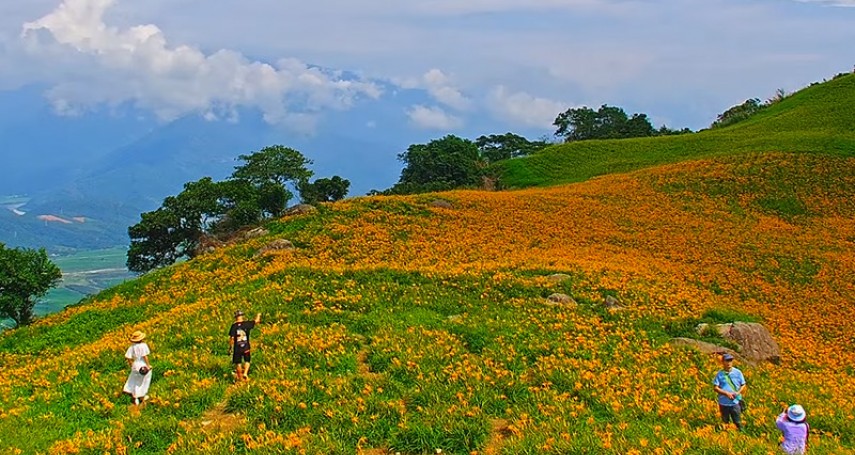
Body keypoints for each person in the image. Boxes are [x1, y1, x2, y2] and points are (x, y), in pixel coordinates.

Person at [712, 353, 746, 431]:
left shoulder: (738, 372)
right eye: (727, 361)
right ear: (723, 362)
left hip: (735, 402)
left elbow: (743, 384)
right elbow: (715, 388)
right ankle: (726, 438)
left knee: (738, 422)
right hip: (723, 403)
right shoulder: (719, 374)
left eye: (730, 360)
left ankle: (742, 436)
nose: (729, 363)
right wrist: (726, 393)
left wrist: (738, 392)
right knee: (725, 423)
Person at [229, 310, 261, 381]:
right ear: (242, 316)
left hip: (237, 348)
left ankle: (240, 378)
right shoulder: (247, 324)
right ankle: (245, 373)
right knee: (247, 360)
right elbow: (257, 321)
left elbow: (232, 338)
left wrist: (230, 348)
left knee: (238, 363)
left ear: (235, 317)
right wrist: (258, 315)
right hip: (246, 346)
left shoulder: (233, 326)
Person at [123, 330, 152, 406]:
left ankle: (135, 398)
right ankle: (142, 396)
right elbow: (145, 356)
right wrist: (148, 365)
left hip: (135, 365)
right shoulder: (144, 345)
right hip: (143, 364)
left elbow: (128, 357)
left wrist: (131, 365)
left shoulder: (131, 347)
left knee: (135, 381)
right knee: (144, 381)